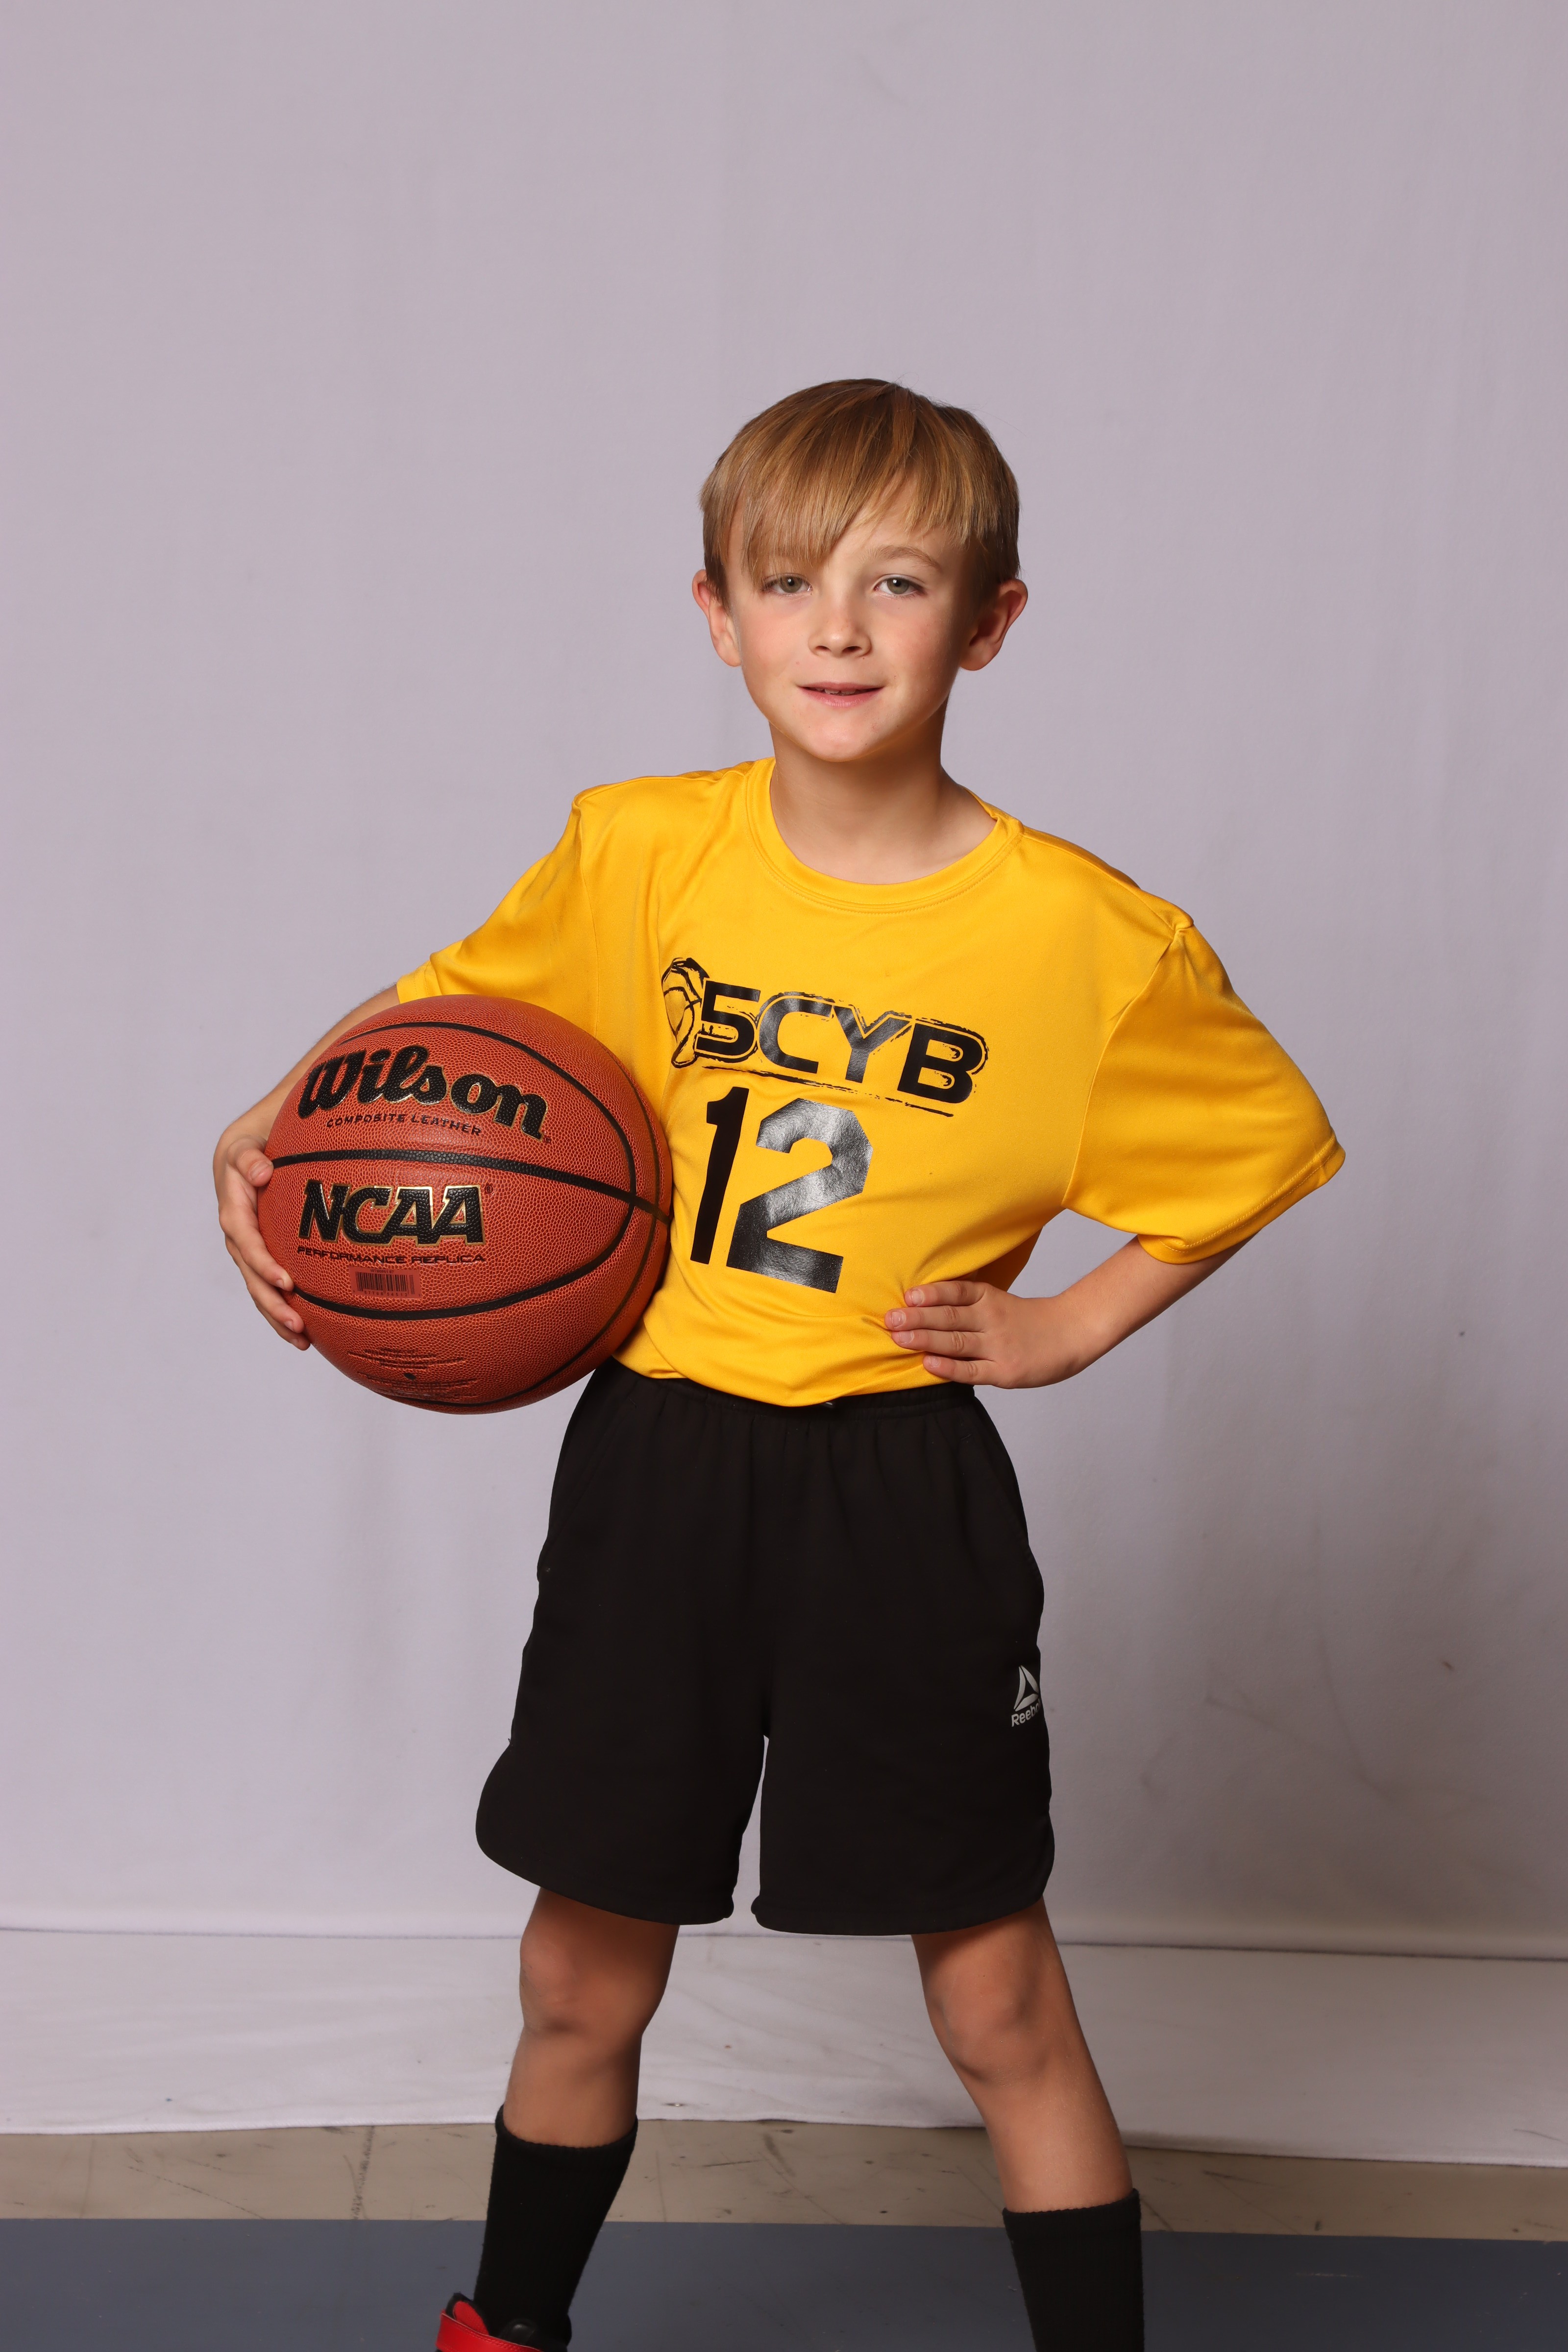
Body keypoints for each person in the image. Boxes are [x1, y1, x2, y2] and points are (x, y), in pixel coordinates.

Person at [214, 380, 1343, 2352]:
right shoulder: (641, 850)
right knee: (578, 1977)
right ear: (715, 614)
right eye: (789, 580)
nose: (837, 626)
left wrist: (1071, 1322)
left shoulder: (1087, 939)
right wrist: (281, 1115)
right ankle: (503, 2335)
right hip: (656, 1463)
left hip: (894, 1484)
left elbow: (1259, 1146)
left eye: (896, 583)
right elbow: (451, 1022)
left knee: (994, 2000)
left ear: (986, 622)